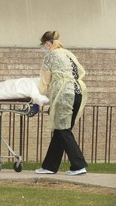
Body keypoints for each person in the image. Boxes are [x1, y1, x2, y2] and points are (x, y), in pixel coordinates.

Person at [35, 31, 88, 176]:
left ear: (47, 44)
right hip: (78, 92)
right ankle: (49, 166)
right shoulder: (68, 53)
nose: (43, 48)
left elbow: (45, 81)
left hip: (64, 94)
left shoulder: (50, 56)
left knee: (63, 130)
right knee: (60, 130)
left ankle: (79, 165)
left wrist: (37, 95)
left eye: (42, 45)